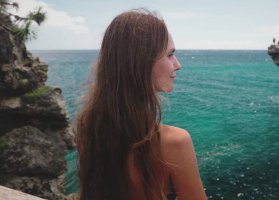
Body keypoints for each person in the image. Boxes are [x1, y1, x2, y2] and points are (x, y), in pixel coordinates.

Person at [76, 8, 207, 200]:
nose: (178, 65)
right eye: (170, 55)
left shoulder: (88, 126)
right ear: (141, 61)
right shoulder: (175, 142)